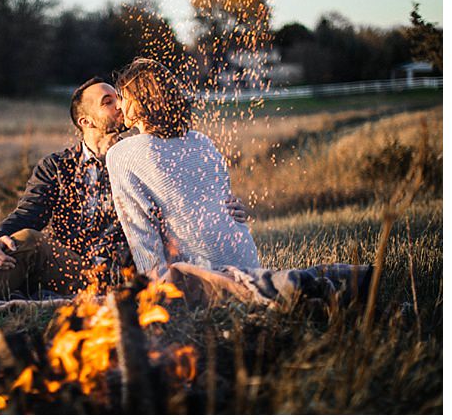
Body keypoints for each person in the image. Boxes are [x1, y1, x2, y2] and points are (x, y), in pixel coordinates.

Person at [0, 75, 254, 324]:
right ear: (85, 120)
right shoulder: (57, 167)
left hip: (113, 276)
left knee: (31, 244)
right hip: (66, 266)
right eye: (108, 101)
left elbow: (184, 201)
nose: (121, 106)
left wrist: (223, 208)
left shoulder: (141, 155)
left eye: (120, 98)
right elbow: (28, 212)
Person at [106, 58, 371, 306]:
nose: (118, 105)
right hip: (245, 256)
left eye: (123, 97)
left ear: (142, 100)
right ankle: (345, 276)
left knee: (243, 292)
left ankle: (300, 284)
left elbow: (140, 231)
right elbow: (224, 206)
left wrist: (156, 291)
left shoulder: (122, 154)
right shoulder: (201, 141)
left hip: (206, 270)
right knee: (266, 290)